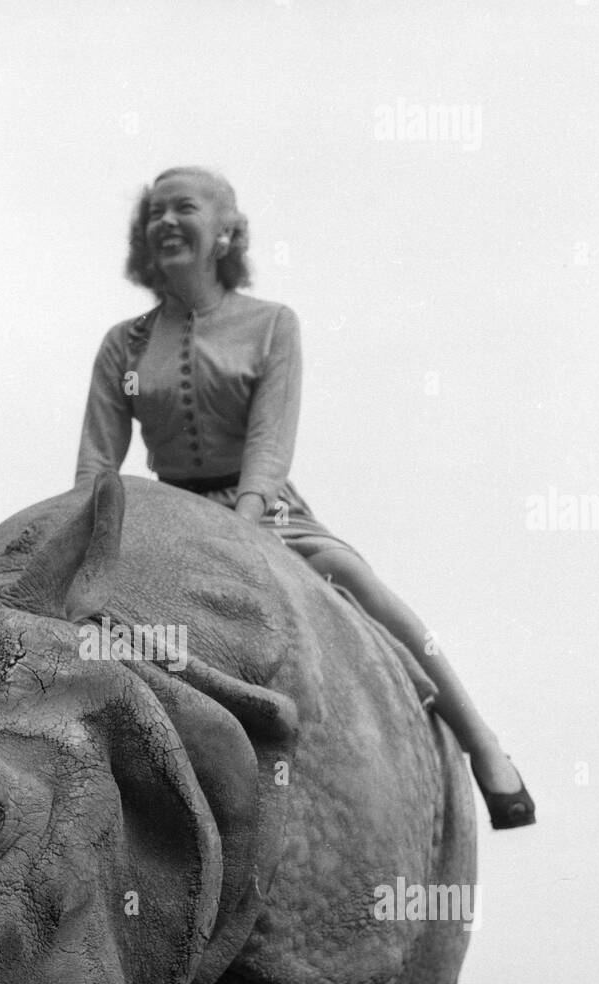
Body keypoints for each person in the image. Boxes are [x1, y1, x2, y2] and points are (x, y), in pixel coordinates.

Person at [75, 166, 535, 827]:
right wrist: (89, 541)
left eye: (185, 209)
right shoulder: (123, 343)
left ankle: (481, 741)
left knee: (354, 580)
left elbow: (269, 442)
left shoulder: (271, 325)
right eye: (155, 213)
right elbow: (98, 460)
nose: (166, 223)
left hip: (266, 511)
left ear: (226, 231)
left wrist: (247, 518)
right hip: (166, 512)